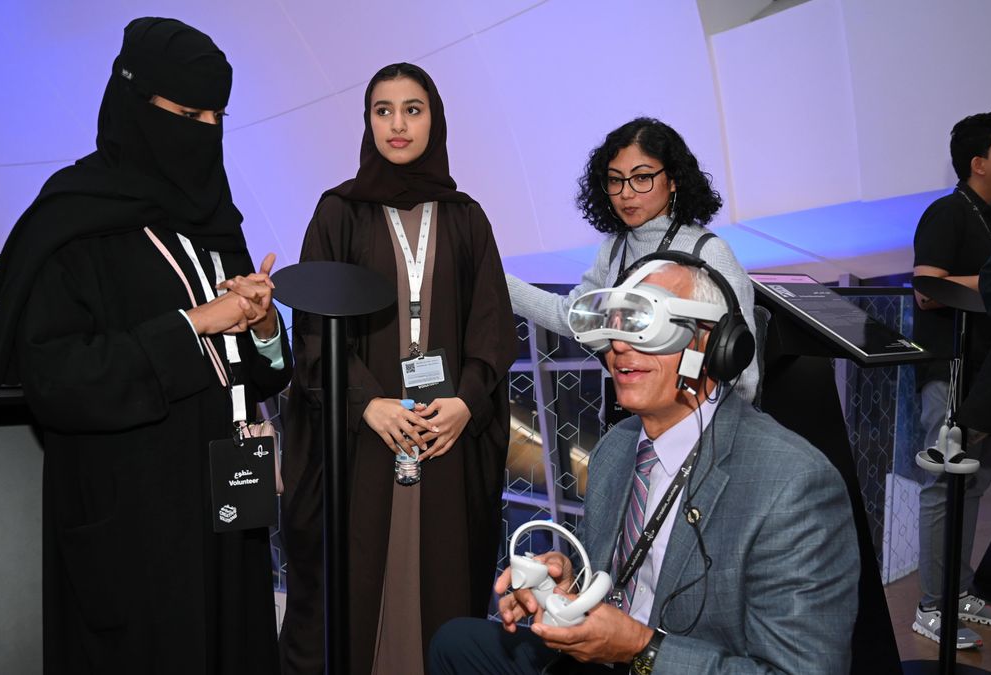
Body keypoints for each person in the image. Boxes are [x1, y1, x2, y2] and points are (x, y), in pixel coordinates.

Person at [0, 18, 291, 674]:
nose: (204, 130)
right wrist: (195, 324)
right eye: (187, 112)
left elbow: (261, 377)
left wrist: (262, 325)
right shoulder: (71, 219)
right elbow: (57, 376)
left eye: (217, 115)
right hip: (135, 531)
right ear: (136, 103)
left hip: (225, 513)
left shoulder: (215, 217)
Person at [429, 256, 858, 674]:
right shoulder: (618, 445)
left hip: (664, 663)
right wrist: (566, 586)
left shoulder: (793, 484)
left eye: (645, 328)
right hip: (599, 658)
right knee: (454, 643)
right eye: (614, 328)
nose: (618, 347)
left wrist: (641, 649)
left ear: (710, 344)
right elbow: (614, 572)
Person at [279, 62, 517, 675]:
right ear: (367, 122)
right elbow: (311, 328)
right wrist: (364, 402)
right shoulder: (339, 212)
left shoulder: (467, 216)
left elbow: (491, 325)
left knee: (441, 569)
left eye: (412, 109)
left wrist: (465, 402)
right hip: (364, 438)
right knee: (358, 577)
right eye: (382, 110)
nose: (397, 124)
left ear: (434, 119)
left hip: (446, 431)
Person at [505, 117, 760, 404]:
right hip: (624, 419)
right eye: (616, 180)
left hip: (692, 426)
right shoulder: (615, 247)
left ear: (673, 180)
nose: (626, 193)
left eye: (642, 178)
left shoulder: (708, 253)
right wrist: (493, 280)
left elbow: (743, 375)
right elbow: (574, 317)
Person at [909, 110, 991, 648]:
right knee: (945, 486)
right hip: (951, 371)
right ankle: (932, 606)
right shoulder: (947, 213)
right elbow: (926, 290)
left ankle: (959, 591)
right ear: (979, 163)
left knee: (974, 484)